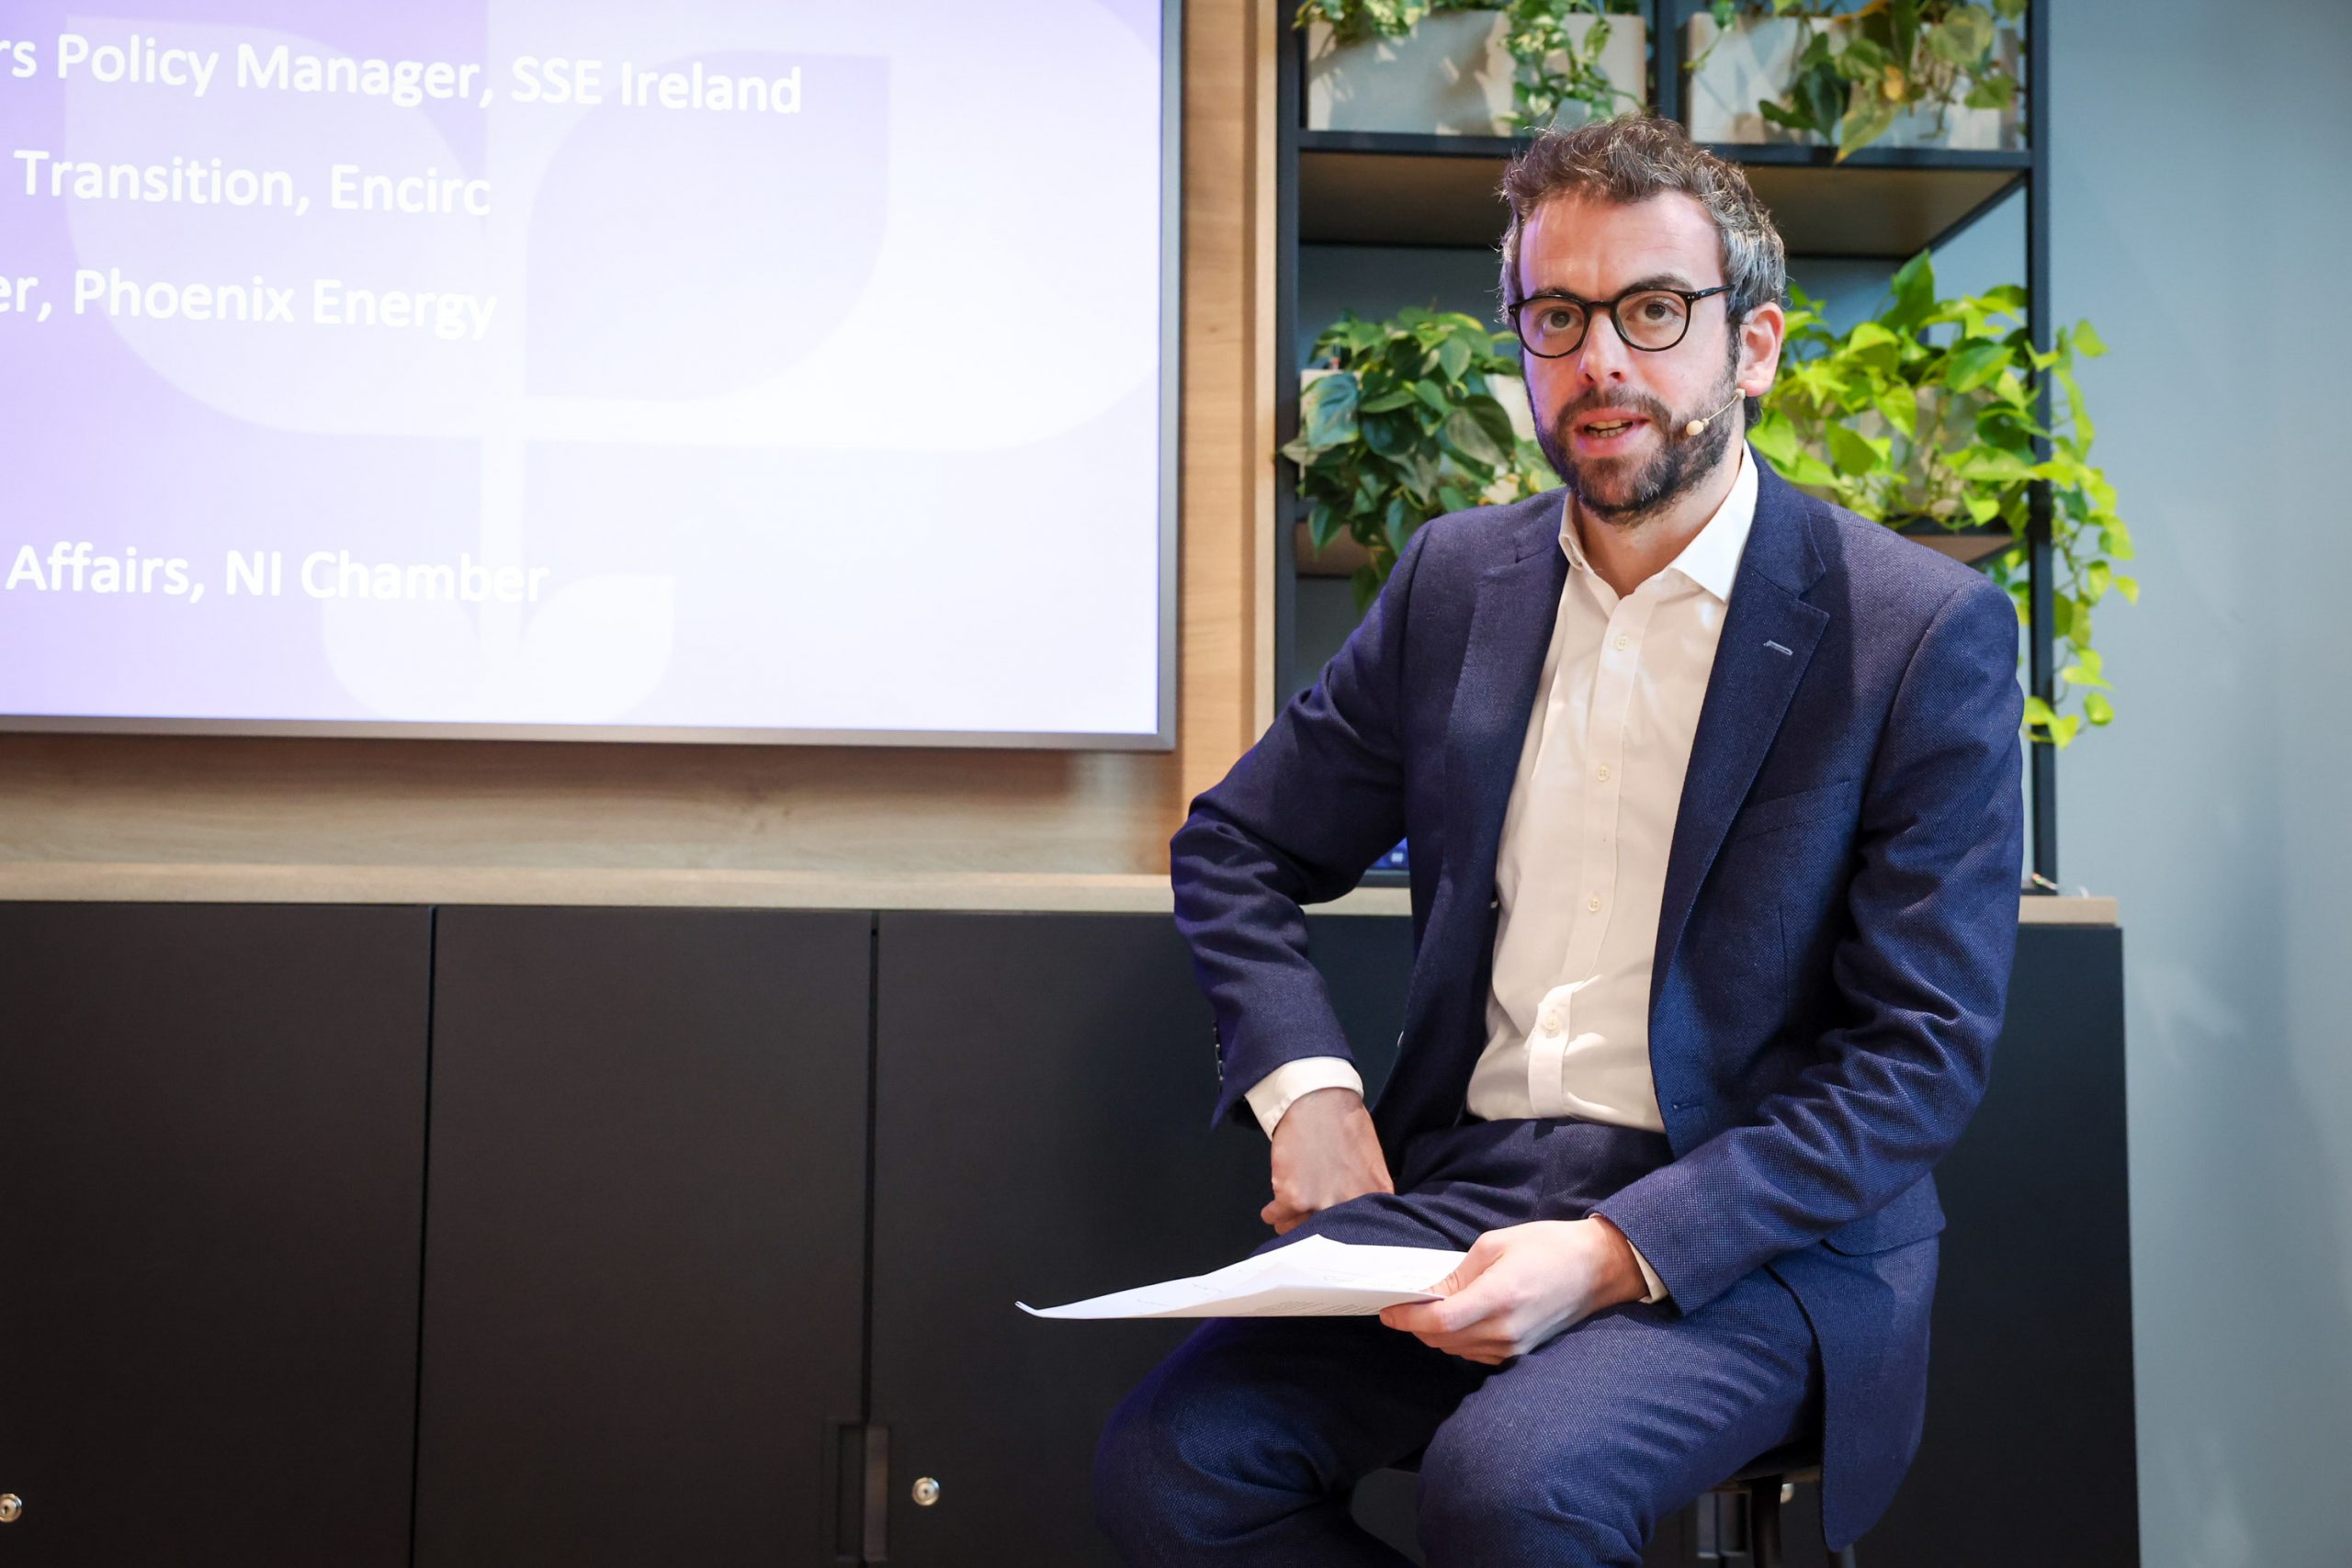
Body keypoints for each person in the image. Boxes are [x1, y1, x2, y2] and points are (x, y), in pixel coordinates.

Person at [1093, 113, 2025, 1566]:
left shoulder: (1916, 630)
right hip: (1466, 1191)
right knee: (1175, 1466)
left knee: (1510, 1485)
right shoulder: (1454, 582)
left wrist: (1613, 1253)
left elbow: (1915, 1063)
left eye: (1653, 311)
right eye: (1557, 316)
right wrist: (1310, 1094)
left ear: (1753, 345)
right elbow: (1237, 845)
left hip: (1757, 1235)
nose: (1601, 361)